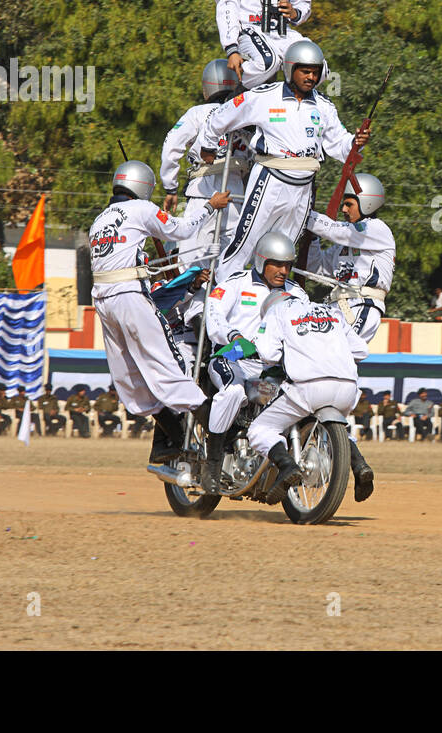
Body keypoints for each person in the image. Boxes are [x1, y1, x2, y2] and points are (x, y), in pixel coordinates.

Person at [88, 159, 230, 464]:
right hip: (128, 296)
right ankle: (219, 437)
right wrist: (210, 206)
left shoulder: (99, 220)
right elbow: (181, 229)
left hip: (102, 301)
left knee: (130, 376)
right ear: (144, 187)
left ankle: (172, 440)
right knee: (169, 366)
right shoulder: (142, 210)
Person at [200, 40, 369, 272]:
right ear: (290, 69)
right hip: (270, 179)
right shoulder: (264, 96)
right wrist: (207, 146)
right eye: (305, 71)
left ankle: (271, 302)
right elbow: (221, 116)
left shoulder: (324, 106)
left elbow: (340, 145)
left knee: (284, 252)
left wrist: (355, 142)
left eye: (315, 72)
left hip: (303, 187)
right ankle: (222, 294)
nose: (310, 77)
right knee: (244, 245)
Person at [201, 230, 313, 493]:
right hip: (233, 357)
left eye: (288, 265)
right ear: (262, 261)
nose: (283, 270)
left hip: (272, 367)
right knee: (233, 393)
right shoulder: (235, 283)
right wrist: (233, 336)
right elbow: (213, 315)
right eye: (277, 264)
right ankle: (213, 465)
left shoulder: (296, 292)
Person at [240, 288, 369, 498]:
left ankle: (286, 465)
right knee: (338, 429)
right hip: (347, 388)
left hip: (309, 387)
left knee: (260, 429)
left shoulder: (276, 311)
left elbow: (268, 353)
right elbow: (361, 350)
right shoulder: (330, 311)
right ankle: (359, 463)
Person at [160, 59, 254, 269]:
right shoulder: (247, 117)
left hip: (204, 193)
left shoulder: (198, 113)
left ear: (207, 87)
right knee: (230, 266)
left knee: (192, 263)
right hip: (236, 197)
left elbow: (171, 146)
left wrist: (170, 187)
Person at [303, 172, 394, 343]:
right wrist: (312, 238)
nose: (343, 209)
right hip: (336, 307)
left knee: (339, 355)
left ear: (367, 203)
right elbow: (316, 267)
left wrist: (304, 214)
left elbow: (336, 231)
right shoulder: (343, 245)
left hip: (363, 305)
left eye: (349, 204)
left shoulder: (377, 229)